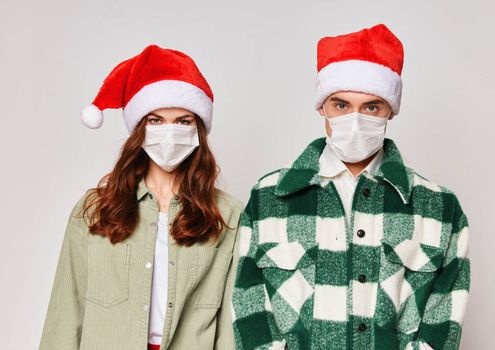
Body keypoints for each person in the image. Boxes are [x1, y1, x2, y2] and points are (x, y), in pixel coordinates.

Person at [231, 24, 470, 350]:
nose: (355, 120)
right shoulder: (268, 197)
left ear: (391, 111)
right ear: (321, 107)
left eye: (371, 107)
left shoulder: (440, 208)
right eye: (341, 105)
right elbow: (249, 302)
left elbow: (444, 320)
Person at [39, 44, 242, 350]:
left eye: (184, 121)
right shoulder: (94, 210)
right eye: (156, 120)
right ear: (138, 128)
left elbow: (230, 323)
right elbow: (66, 310)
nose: (170, 132)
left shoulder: (227, 216)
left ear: (198, 129)